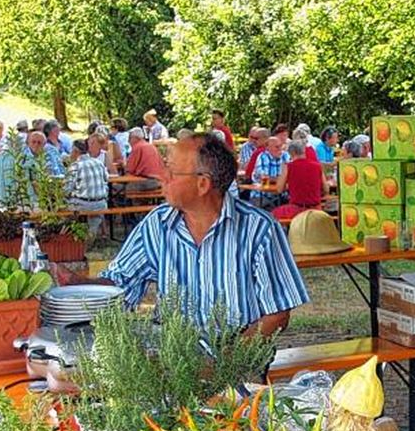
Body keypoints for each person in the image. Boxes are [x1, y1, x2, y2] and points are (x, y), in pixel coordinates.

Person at [60, 134, 308, 335]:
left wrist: (225, 363)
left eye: (171, 171)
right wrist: (76, 284)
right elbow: (120, 285)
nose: (162, 177)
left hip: (239, 370)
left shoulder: (259, 229)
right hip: (172, 362)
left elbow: (277, 315)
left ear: (203, 184)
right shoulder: (158, 223)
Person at [271, 140, 327, 219]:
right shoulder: (317, 166)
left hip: (296, 210)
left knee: (272, 215)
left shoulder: (288, 167)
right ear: (304, 151)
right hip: (316, 209)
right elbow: (326, 189)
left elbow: (279, 189)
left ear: (291, 153)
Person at [65, 137, 109, 238]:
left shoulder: (75, 166)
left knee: (61, 207)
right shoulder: (98, 162)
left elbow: (66, 189)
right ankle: (90, 236)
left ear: (75, 151)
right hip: (101, 203)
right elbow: (106, 179)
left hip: (83, 205)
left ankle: (73, 237)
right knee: (94, 214)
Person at [251, 136, 289, 210]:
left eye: (281, 146)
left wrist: (280, 180)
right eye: (277, 147)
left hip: (282, 195)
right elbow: (264, 178)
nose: (280, 149)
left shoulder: (285, 155)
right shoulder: (263, 157)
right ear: (268, 148)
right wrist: (282, 180)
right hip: (262, 196)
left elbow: (291, 177)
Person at [124, 127, 165, 195]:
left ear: (134, 138)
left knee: (120, 190)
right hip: (159, 181)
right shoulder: (151, 146)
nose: (128, 141)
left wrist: (124, 165)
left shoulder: (137, 147)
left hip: (146, 181)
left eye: (129, 138)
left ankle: (131, 205)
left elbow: (129, 169)